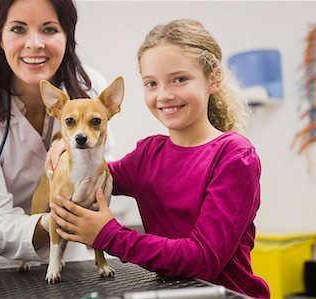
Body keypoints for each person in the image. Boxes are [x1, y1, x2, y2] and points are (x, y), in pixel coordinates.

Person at [48, 19, 270, 298]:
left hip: (226, 294)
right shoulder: (148, 155)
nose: (164, 94)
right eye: (151, 83)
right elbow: (96, 174)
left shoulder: (235, 157)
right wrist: (63, 148)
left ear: (213, 78)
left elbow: (203, 259)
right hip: (170, 292)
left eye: (179, 79)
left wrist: (109, 235)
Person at [0, 0, 111, 270]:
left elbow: (99, 180)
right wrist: (54, 221)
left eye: (49, 29)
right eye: (18, 29)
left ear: (68, 36)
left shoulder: (92, 92)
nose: (35, 44)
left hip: (70, 254)